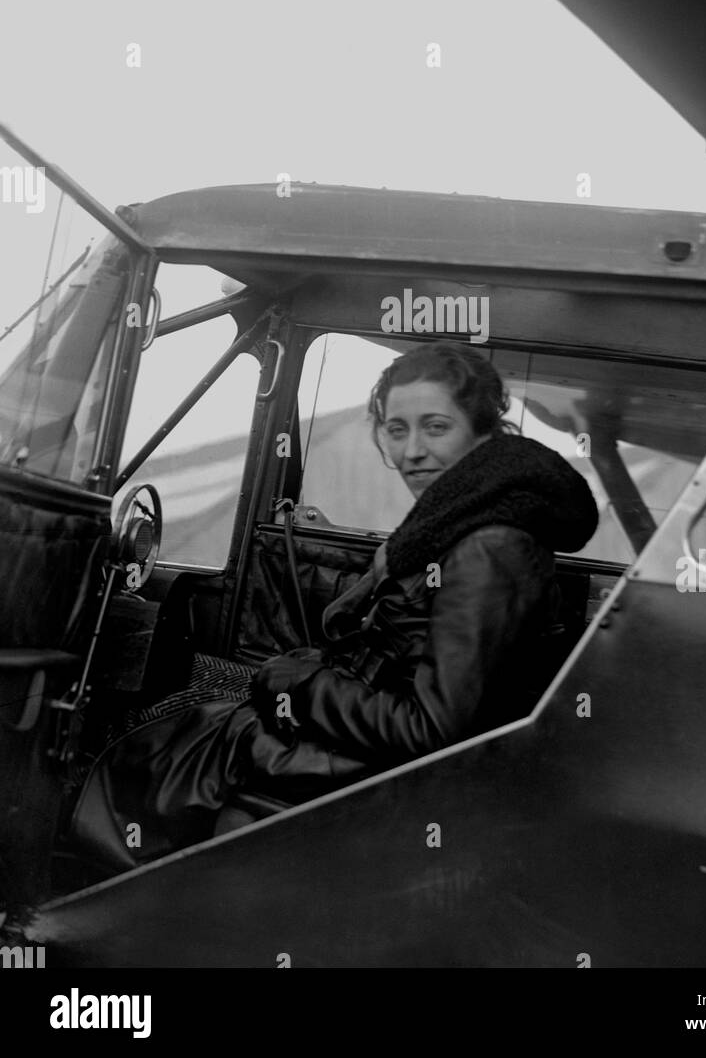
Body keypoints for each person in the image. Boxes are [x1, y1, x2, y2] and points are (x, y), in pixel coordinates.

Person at [71, 343, 599, 872]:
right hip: (376, 734)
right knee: (190, 725)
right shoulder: (458, 519)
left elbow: (433, 732)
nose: (412, 451)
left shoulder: (489, 548)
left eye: (436, 427)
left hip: (400, 774)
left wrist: (298, 685)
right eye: (397, 430)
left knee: (146, 755)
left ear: (482, 433)